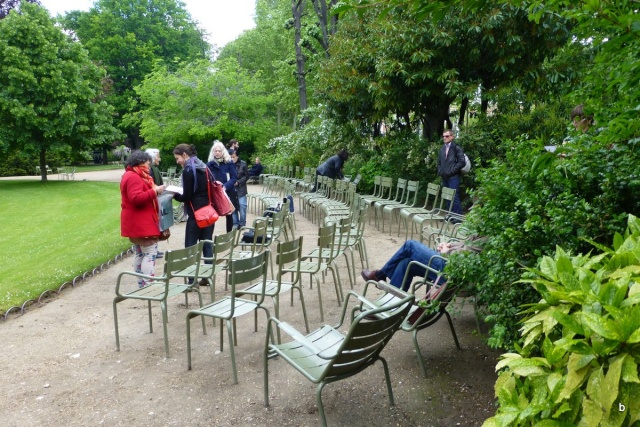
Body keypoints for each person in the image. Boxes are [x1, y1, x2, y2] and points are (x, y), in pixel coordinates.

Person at [360, 237, 484, 291]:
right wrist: (447, 245)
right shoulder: (479, 232)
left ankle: (381, 274)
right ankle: (391, 304)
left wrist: (446, 253)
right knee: (406, 263)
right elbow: (462, 246)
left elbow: (464, 260)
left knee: (410, 245)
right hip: (447, 264)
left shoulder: (485, 239)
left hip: (450, 271)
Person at [120, 150, 166, 288]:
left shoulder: (134, 174)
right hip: (140, 221)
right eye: (147, 163)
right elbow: (136, 198)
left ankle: (142, 284)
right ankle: (148, 284)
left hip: (138, 220)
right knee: (150, 253)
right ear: (139, 162)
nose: (149, 166)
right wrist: (155, 191)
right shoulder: (133, 176)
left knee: (140, 253)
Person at [170, 144, 213, 286]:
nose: (177, 162)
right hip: (208, 210)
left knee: (190, 246)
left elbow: (187, 196)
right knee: (207, 243)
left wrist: (174, 195)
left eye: (177, 158)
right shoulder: (203, 166)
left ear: (184, 155)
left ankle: (191, 280)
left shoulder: (189, 169)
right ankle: (208, 276)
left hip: (196, 214)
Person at [207, 140, 238, 233]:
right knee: (213, 214)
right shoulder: (209, 164)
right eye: (215, 151)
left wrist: (224, 186)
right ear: (213, 152)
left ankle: (229, 235)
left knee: (229, 214)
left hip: (227, 191)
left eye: (219, 150)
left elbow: (234, 178)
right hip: (215, 193)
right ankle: (209, 237)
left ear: (222, 151)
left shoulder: (229, 163)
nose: (217, 152)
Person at [437, 130, 465, 215]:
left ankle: (457, 217)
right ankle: (449, 215)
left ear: (452, 137)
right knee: (447, 196)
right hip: (444, 176)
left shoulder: (456, 148)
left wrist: (452, 171)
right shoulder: (442, 148)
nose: (445, 138)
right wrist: (440, 171)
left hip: (453, 177)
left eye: (447, 136)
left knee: (454, 196)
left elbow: (462, 162)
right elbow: (439, 162)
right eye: (443, 136)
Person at [229, 149, 249, 228]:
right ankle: (235, 223)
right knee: (233, 206)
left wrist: (239, 182)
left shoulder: (243, 164)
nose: (232, 159)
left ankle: (242, 223)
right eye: (230, 157)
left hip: (241, 188)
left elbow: (247, 176)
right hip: (232, 189)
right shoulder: (228, 165)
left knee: (242, 205)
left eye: (233, 157)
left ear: (237, 156)